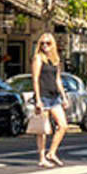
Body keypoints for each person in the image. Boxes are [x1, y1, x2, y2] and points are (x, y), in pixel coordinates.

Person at [33, 32, 69, 166]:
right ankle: (42, 158)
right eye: (42, 43)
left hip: (54, 96)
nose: (45, 46)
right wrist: (37, 99)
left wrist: (64, 97)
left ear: (52, 44)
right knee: (43, 129)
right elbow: (35, 79)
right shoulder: (38, 58)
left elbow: (58, 79)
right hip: (43, 95)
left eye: (48, 43)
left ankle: (52, 152)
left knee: (63, 125)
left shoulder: (55, 60)